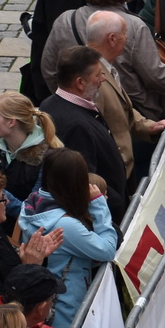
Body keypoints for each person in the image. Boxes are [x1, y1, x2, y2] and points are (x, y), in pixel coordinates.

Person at [39, 46, 129, 221]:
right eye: (98, 75)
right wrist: (117, 202)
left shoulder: (51, 104)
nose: (103, 79)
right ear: (80, 83)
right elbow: (85, 181)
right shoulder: (76, 126)